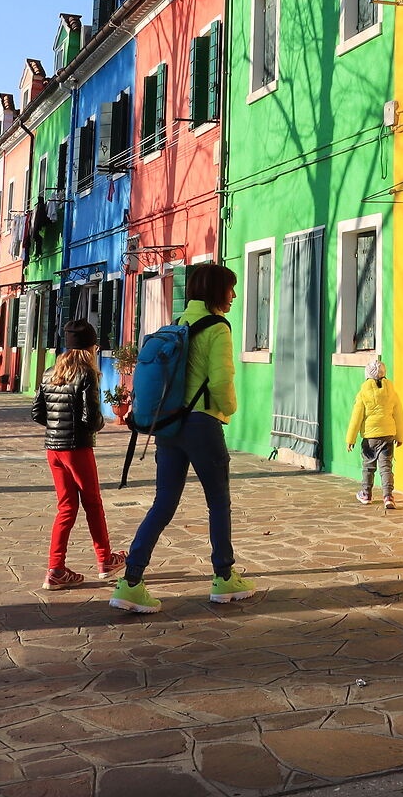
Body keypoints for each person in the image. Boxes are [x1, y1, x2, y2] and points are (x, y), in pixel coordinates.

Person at [110, 261, 256, 613]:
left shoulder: (177, 325)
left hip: (169, 426)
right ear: (215, 291)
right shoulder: (218, 327)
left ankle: (130, 582)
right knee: (218, 502)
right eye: (230, 288)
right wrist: (229, 409)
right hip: (202, 423)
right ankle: (224, 577)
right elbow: (221, 381)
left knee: (163, 503)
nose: (234, 295)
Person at [32, 318, 114, 588]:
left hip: (53, 450)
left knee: (66, 507)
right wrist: (99, 425)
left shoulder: (48, 373)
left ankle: (55, 569)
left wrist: (57, 426)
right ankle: (105, 560)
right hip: (77, 448)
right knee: (93, 503)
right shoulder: (87, 374)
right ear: (90, 347)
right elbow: (91, 418)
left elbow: (37, 413)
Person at [344, 354, 403, 507]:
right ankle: (388, 496)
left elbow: (356, 418)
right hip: (388, 436)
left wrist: (350, 439)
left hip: (370, 438)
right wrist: (400, 436)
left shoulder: (363, 393)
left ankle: (366, 493)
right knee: (386, 467)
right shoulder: (392, 392)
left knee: (368, 467)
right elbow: (399, 415)